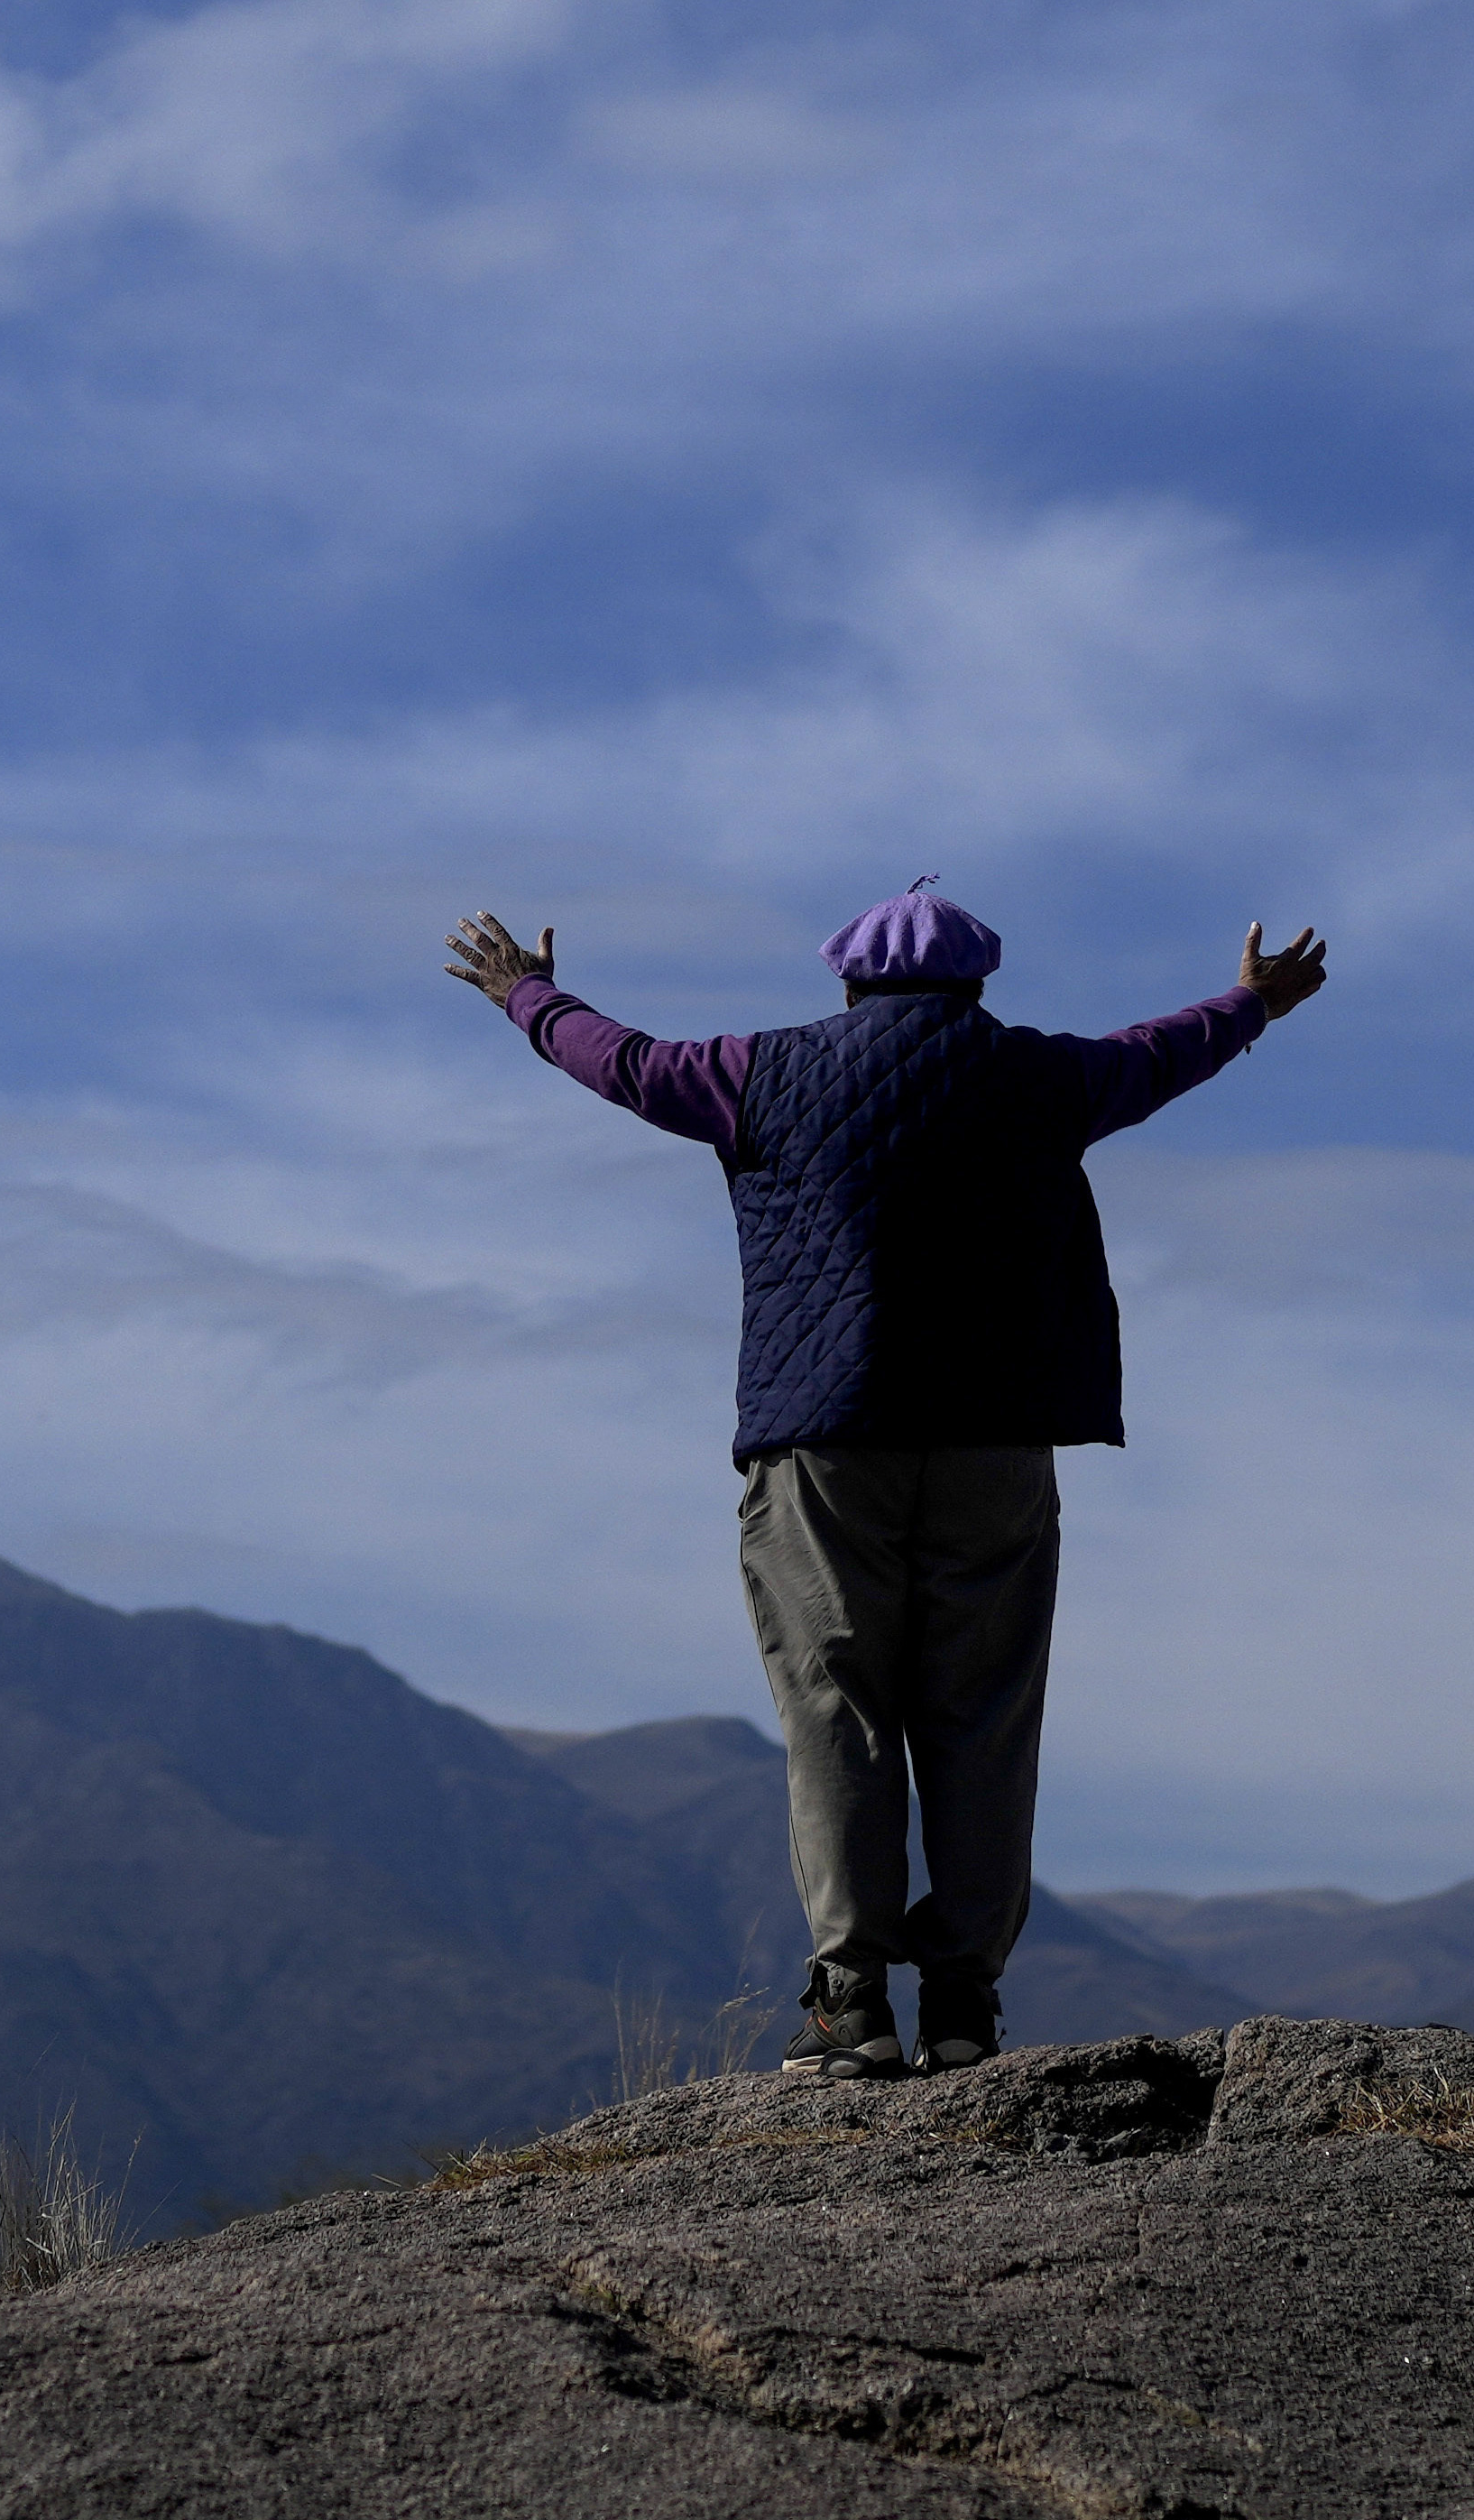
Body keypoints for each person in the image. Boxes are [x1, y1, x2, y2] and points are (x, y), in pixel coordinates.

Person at [446, 882, 1331, 2079]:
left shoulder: (758, 1072)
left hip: (824, 1443)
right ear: (976, 984)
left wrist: (525, 994)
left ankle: (850, 2006)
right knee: (984, 1714)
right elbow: (1158, 1054)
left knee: (836, 1709)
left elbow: (627, 1064)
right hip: (994, 1446)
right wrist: (1252, 1002)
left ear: (848, 981)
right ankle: (963, 2006)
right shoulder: (1040, 1078)